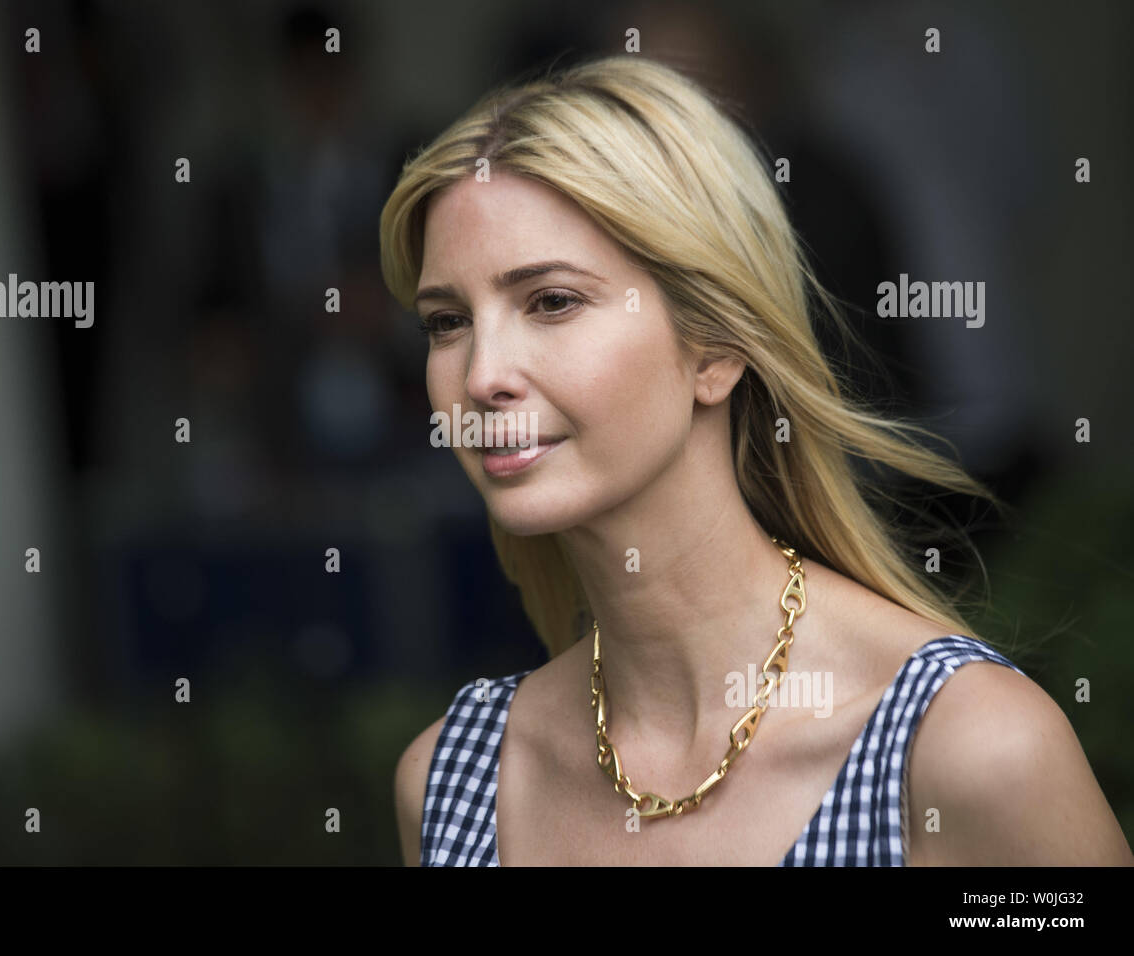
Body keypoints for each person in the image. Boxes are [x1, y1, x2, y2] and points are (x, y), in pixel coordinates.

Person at [378, 55, 1133, 866]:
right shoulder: (452, 784)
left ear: (718, 347)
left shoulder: (963, 749)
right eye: (447, 321)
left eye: (552, 301)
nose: (482, 373)